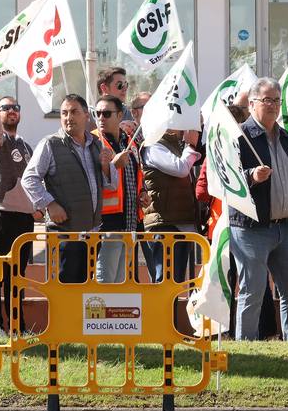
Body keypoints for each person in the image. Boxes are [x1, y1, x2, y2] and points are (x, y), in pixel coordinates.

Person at [229, 78, 288, 341]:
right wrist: (251, 176)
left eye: (277, 100)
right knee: (252, 292)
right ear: (251, 104)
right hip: (251, 229)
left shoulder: (285, 136)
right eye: (267, 100)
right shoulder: (239, 137)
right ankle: (245, 351)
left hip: (284, 228)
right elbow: (226, 178)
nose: (273, 105)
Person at [21, 94, 116, 283]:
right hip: (64, 235)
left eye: (74, 112)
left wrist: (107, 166)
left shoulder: (97, 144)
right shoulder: (50, 144)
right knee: (64, 293)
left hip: (92, 233)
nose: (68, 117)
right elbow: (29, 178)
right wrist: (50, 204)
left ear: (86, 116)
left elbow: (111, 184)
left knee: (84, 295)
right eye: (64, 113)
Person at [0, 86, 35, 333]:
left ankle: (18, 327)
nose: (12, 111)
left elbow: (34, 179)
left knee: (17, 278)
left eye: (15, 108)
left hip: (24, 219)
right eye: (6, 108)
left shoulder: (24, 145)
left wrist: (38, 206)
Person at [139, 128, 202, 283]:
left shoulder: (175, 145)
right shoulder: (153, 145)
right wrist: (191, 146)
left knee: (176, 282)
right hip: (164, 224)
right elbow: (180, 168)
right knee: (165, 282)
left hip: (179, 222)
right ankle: (159, 309)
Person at [93, 94, 141, 282]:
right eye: (97, 114)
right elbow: (93, 179)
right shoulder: (94, 142)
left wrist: (142, 192)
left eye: (106, 113)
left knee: (120, 281)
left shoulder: (129, 141)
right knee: (105, 280)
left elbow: (137, 174)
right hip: (107, 222)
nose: (101, 118)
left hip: (129, 222)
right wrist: (113, 164)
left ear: (120, 115)